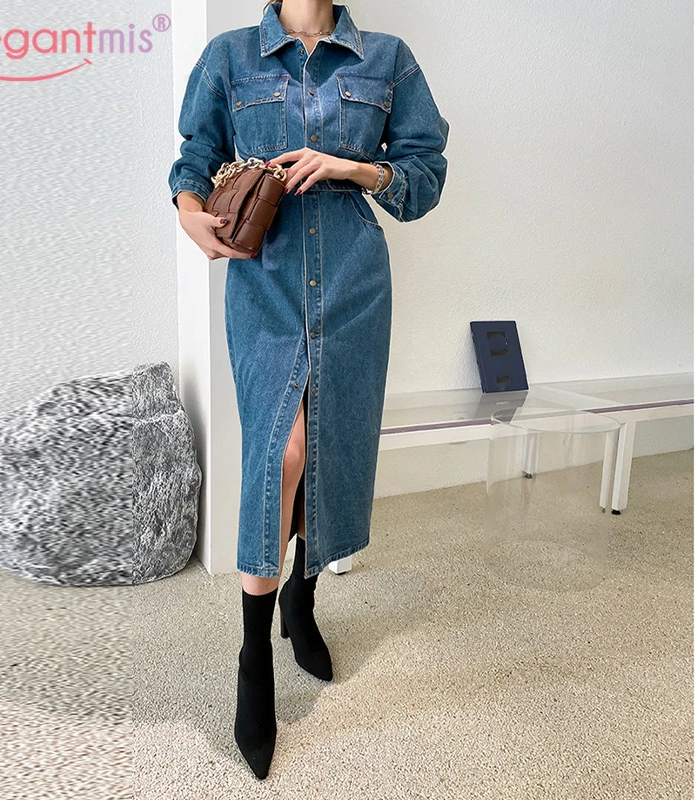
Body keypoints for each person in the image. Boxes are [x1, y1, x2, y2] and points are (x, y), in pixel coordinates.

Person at [168, 0, 449, 779]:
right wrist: (189, 212)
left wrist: (352, 167)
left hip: (352, 276)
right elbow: (196, 153)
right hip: (263, 275)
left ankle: (304, 596)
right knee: (281, 452)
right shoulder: (230, 55)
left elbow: (424, 174)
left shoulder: (386, 57)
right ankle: (253, 653)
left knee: (326, 442)